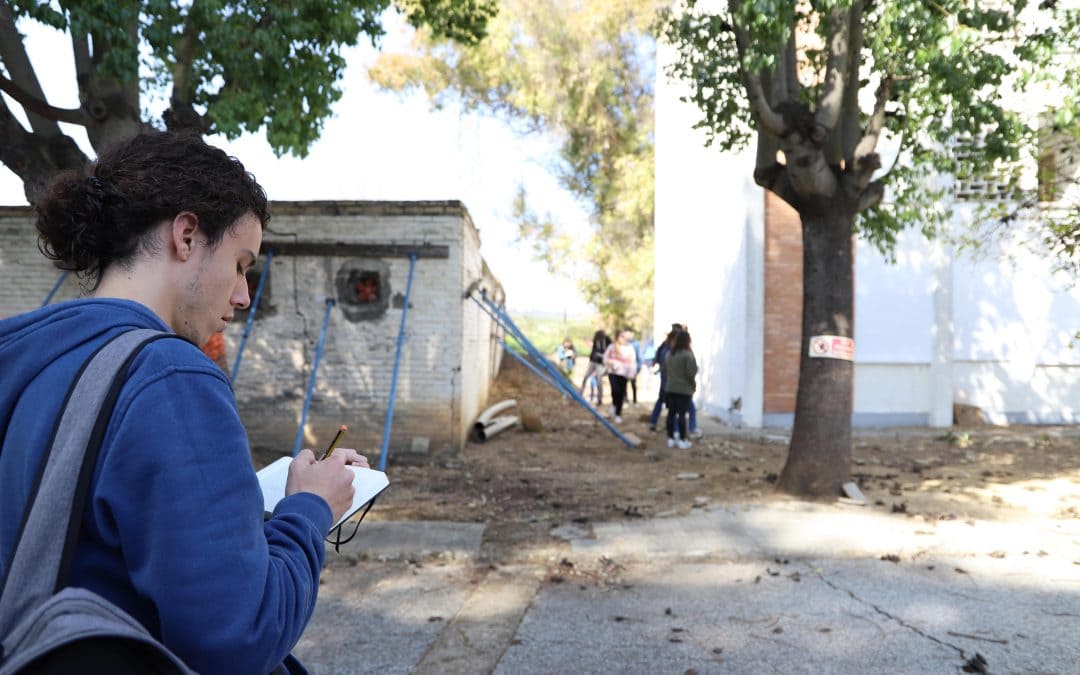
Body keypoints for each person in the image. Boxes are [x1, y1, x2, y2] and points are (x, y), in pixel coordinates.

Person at [0, 132, 366, 675]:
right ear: (187, 235)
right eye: (240, 264)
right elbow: (240, 637)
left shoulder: (26, 353)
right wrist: (310, 509)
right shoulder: (169, 376)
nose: (243, 295)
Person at [663, 330, 698, 449]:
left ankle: (670, 438)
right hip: (684, 390)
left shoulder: (669, 354)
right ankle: (682, 439)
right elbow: (691, 373)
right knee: (682, 415)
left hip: (670, 388)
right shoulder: (687, 355)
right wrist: (693, 385)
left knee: (671, 414)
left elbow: (665, 370)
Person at [603, 329, 637, 423]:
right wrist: (611, 363)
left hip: (624, 374)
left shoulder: (629, 348)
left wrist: (632, 373)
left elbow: (633, 361)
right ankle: (614, 404)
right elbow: (605, 358)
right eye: (621, 336)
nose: (623, 338)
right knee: (615, 390)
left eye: (624, 336)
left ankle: (618, 413)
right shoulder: (611, 347)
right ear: (617, 337)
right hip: (613, 372)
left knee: (621, 393)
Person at [580, 329, 611, 405]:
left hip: (601, 363)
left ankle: (599, 399)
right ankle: (580, 393)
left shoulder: (607, 340)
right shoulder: (596, 340)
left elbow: (609, 352)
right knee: (586, 377)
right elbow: (593, 350)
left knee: (599, 380)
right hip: (593, 361)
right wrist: (592, 358)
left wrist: (604, 360)